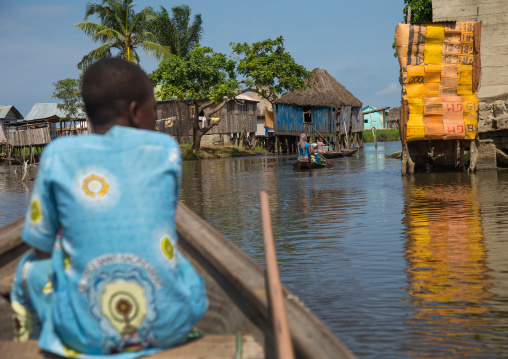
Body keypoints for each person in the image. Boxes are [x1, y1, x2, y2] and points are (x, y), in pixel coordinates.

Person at [10, 58, 208, 358]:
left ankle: (40, 336)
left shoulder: (57, 154)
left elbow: (41, 247)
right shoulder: (165, 150)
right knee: (180, 262)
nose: (155, 117)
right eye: (153, 109)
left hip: (85, 336)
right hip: (168, 325)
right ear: (134, 111)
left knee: (29, 268)